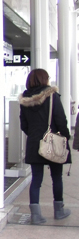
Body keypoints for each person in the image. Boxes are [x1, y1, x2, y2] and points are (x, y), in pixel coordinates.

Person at [20, 69, 71, 224]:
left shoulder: (25, 100)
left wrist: (35, 135)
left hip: (34, 143)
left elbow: (24, 125)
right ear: (45, 79)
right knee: (56, 177)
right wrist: (65, 136)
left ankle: (35, 215)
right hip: (53, 141)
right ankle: (59, 210)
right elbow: (60, 119)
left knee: (36, 179)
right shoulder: (52, 96)